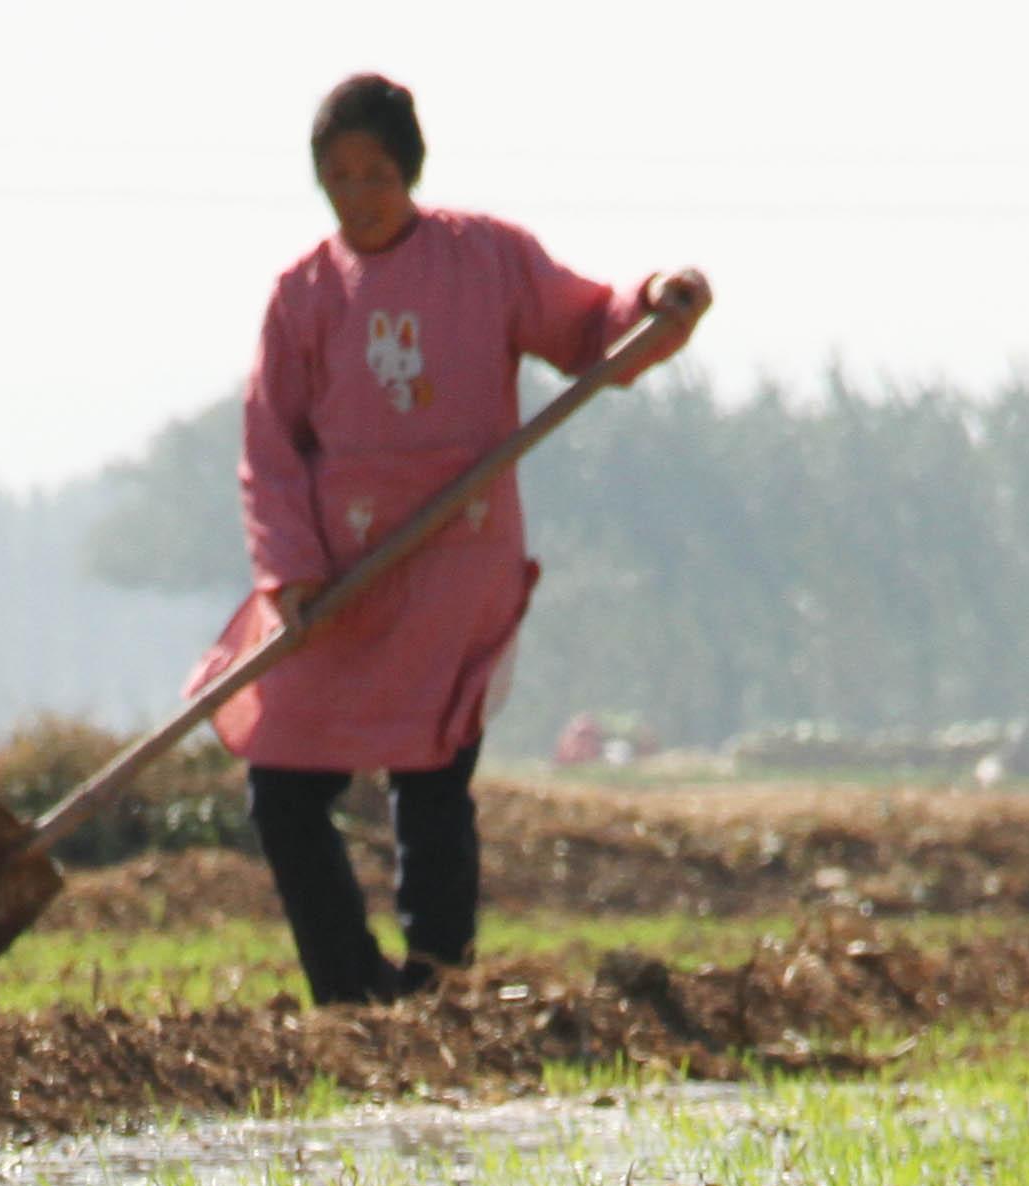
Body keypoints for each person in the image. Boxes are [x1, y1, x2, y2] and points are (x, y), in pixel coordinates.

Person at [199, 73, 709, 1004]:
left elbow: (594, 329)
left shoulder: (488, 262)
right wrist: (294, 576)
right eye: (339, 178)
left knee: (430, 776)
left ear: (411, 170)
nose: (359, 197)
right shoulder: (302, 296)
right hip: (335, 573)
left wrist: (656, 302)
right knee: (282, 787)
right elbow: (270, 449)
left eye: (376, 176)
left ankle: (436, 984)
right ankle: (351, 991)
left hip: (453, 558)